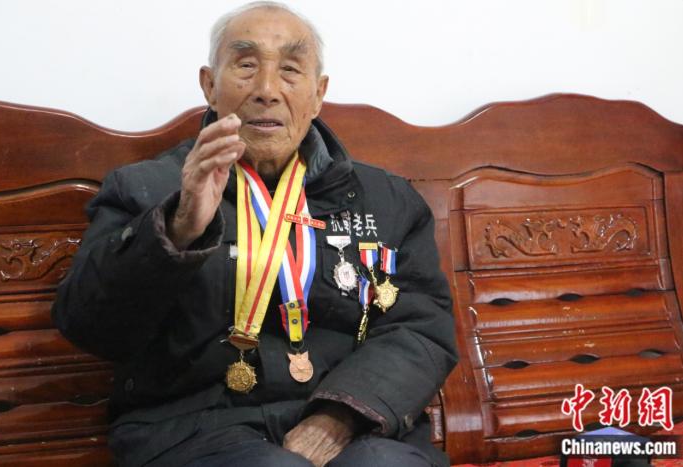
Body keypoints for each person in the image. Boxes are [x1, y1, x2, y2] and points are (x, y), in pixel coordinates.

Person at [52, 2, 457, 466]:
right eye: (245, 65)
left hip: (353, 422)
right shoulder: (146, 190)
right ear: (209, 85)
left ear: (319, 93)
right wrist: (178, 230)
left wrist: (340, 418)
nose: (267, 90)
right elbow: (91, 327)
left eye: (290, 70)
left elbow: (420, 327)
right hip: (196, 431)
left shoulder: (387, 200)